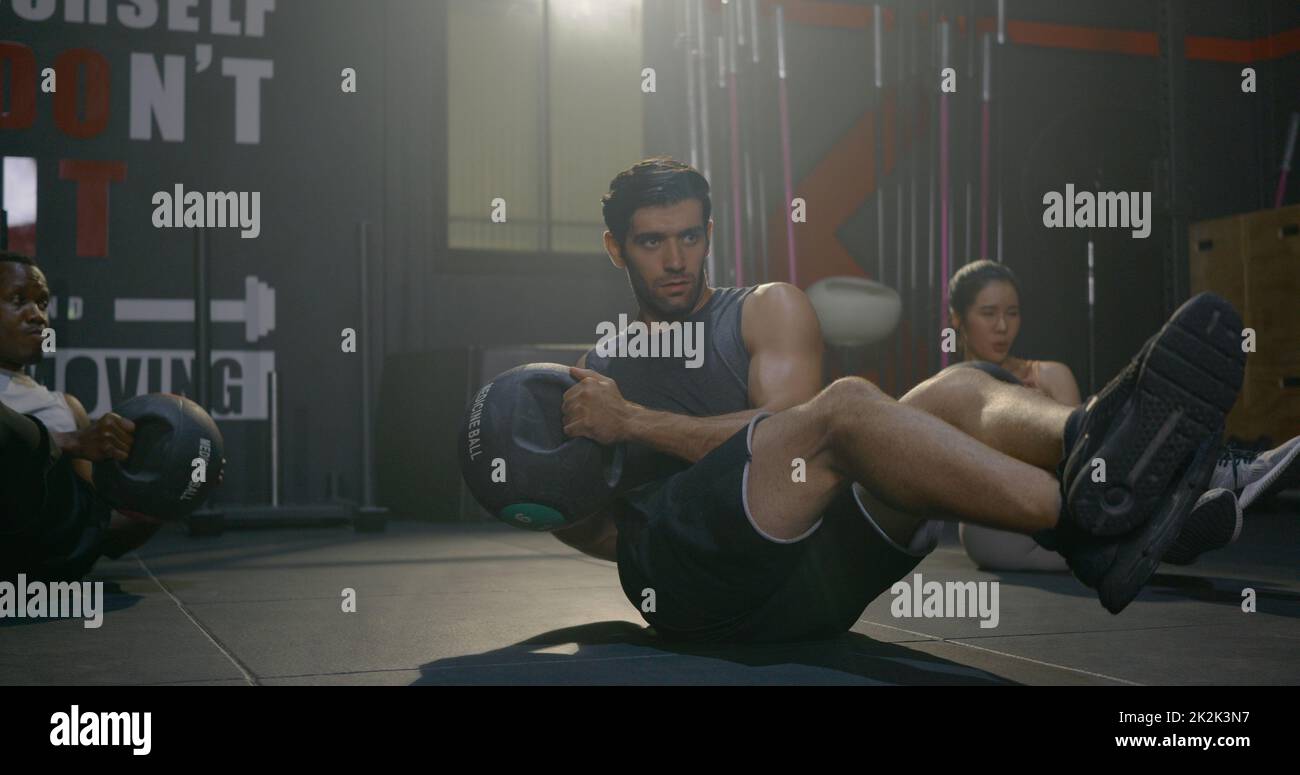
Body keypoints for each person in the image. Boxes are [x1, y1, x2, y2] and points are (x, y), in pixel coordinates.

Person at [548, 157, 1266, 643]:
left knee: (955, 386)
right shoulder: (597, 375)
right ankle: (1096, 523)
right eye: (651, 243)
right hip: (699, 588)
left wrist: (637, 425)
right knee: (849, 406)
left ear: (708, 233)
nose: (676, 261)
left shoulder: (765, 311)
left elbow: (788, 435)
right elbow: (589, 529)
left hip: (816, 572)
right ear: (616, 248)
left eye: (689, 237)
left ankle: (1096, 450)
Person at [943, 259, 1299, 571]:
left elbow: (1081, 466)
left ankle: (1183, 506)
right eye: (988, 313)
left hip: (1070, 516)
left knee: (1090, 474)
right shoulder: (944, 392)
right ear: (957, 318)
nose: (1003, 326)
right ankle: (1182, 511)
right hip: (997, 529)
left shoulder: (1050, 374)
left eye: (1012, 312)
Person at [0, 250, 213, 580]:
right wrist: (70, 442)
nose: (38, 316)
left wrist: (173, 492)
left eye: (42, 303)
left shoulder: (65, 408)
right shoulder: (76, 436)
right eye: (18, 299)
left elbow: (96, 533)